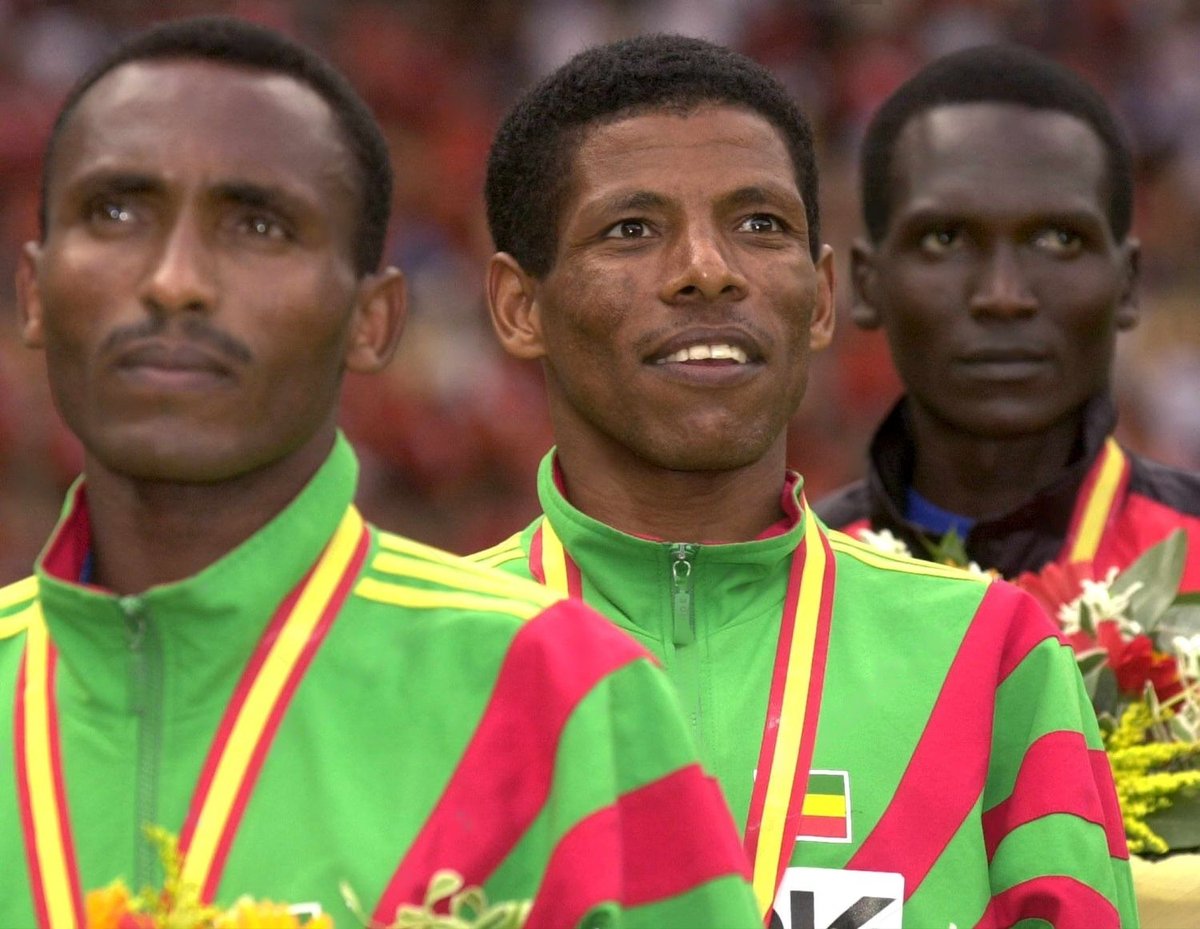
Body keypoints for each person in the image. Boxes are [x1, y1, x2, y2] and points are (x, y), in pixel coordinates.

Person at [0, 17, 762, 928]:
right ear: (36, 291)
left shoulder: (563, 695)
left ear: (373, 318)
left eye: (258, 223)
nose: (174, 280)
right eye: (116, 212)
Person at [473, 33, 1139, 928]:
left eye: (760, 225)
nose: (708, 270)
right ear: (521, 307)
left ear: (821, 298)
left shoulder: (988, 656)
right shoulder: (405, 661)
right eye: (631, 229)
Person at [814, 44, 1200, 590]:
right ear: (868, 283)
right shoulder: (785, 590)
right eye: (944, 239)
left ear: (1129, 283)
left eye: (1059, 240)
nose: (1003, 295)